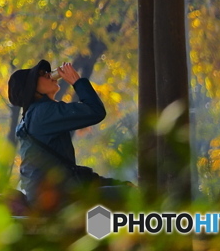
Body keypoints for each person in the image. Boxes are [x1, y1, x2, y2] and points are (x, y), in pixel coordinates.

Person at [7, 59, 129, 212]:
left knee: (125, 191)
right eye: (41, 75)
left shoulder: (34, 115)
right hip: (56, 200)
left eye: (46, 72)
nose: (48, 75)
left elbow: (70, 172)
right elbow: (95, 111)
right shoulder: (43, 113)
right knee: (133, 197)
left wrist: (113, 183)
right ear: (31, 89)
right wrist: (77, 82)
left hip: (53, 196)